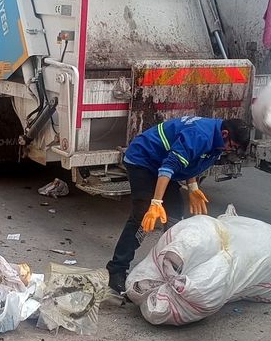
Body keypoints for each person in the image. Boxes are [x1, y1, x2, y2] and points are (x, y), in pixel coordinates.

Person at [106, 116, 251, 293]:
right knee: (143, 215)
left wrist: (193, 186)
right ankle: (117, 270)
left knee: (175, 214)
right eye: (232, 146)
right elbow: (169, 166)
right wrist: (156, 202)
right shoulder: (200, 135)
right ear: (225, 134)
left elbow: (190, 159)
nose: (230, 151)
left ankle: (168, 266)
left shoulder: (217, 139)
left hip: (162, 164)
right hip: (143, 160)